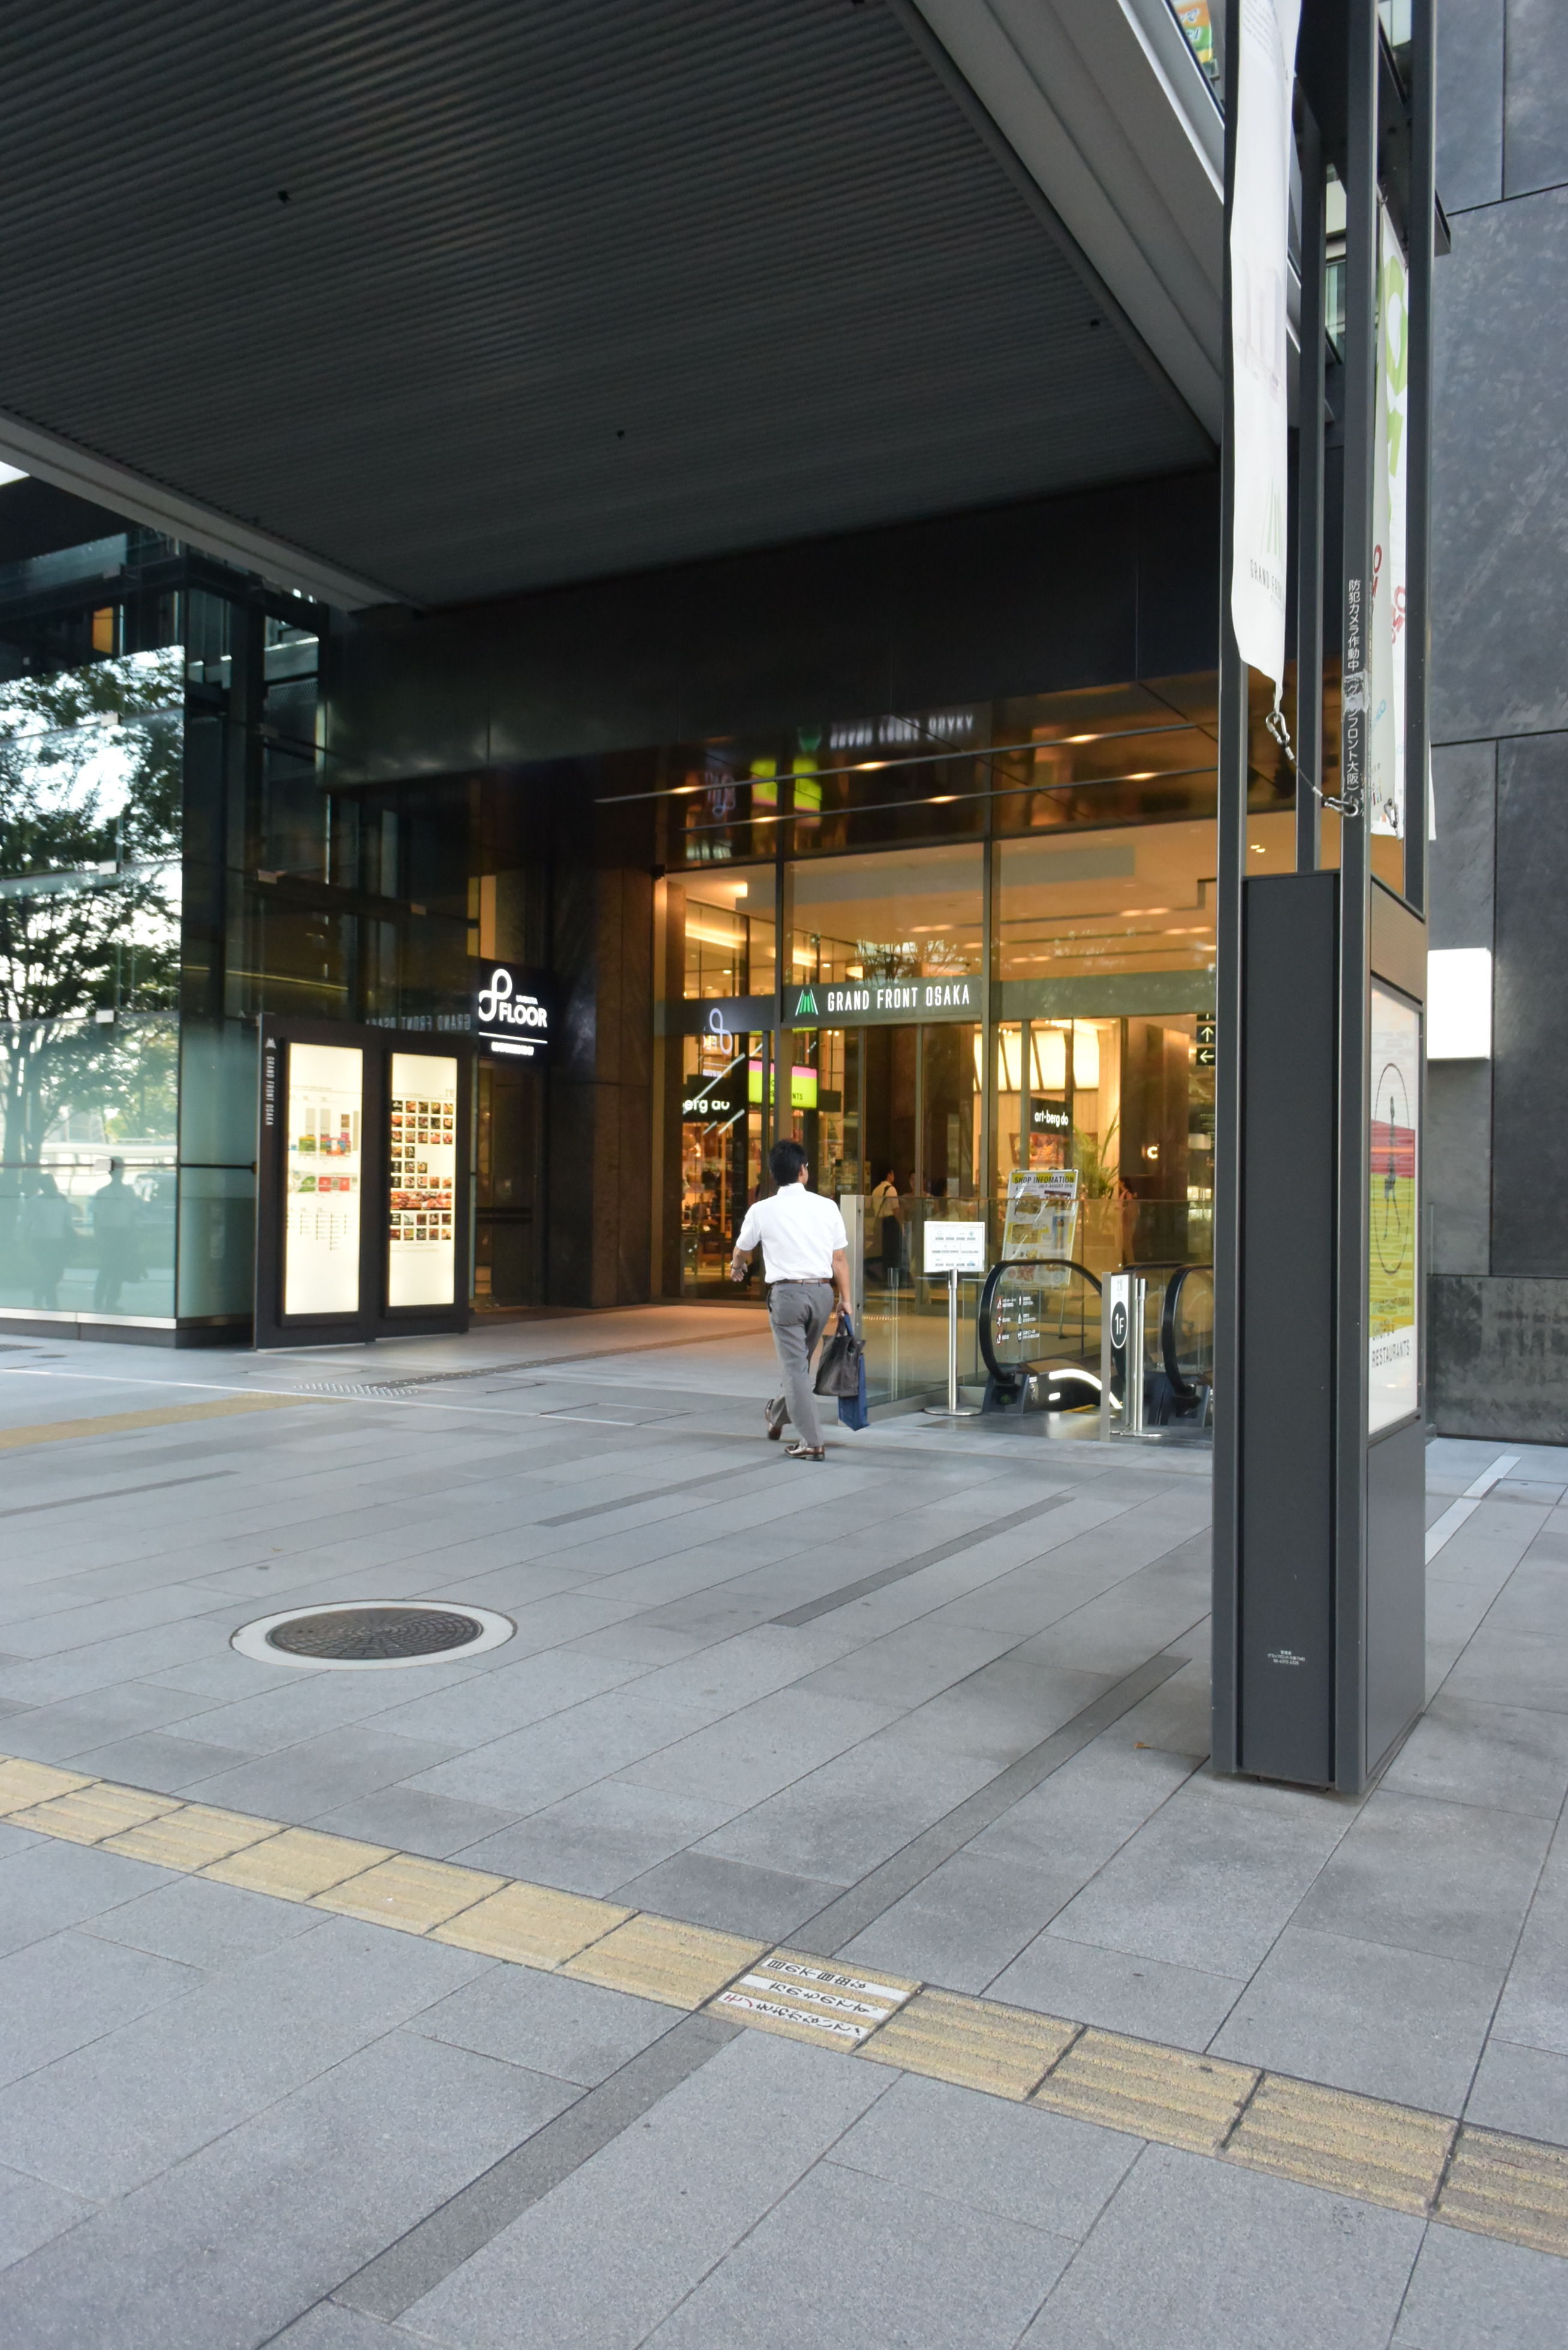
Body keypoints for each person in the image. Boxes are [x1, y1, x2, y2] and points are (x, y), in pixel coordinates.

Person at [730, 1138, 852, 1461]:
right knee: (799, 1366)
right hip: (822, 1294)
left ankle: (812, 1441)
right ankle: (776, 1414)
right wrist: (846, 1300)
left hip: (787, 1297)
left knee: (796, 1369)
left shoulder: (761, 1210)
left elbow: (742, 1250)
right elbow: (839, 1259)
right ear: (803, 1171)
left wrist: (736, 1267)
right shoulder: (827, 1206)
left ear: (774, 1174)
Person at [92, 1158, 140, 1312]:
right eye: (118, 1169)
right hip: (109, 1234)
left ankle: (111, 1302)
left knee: (119, 1271)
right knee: (106, 1269)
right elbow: (97, 1217)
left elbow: (133, 1216)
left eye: (122, 1168)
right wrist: (99, 1236)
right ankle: (99, 1301)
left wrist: (133, 1234)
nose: (120, 1172)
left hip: (123, 1234)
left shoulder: (129, 1192)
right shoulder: (103, 1193)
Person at [21, 1174, 73, 1309]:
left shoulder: (62, 1199)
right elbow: (25, 1223)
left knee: (56, 1273)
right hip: (41, 1242)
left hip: (59, 1242)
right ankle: (52, 1303)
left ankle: (38, 1292)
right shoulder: (35, 1202)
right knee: (49, 1272)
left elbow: (68, 1221)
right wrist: (21, 1240)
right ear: (43, 1187)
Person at [868, 1166, 903, 1287]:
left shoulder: (875, 1190)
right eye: (893, 1173)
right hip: (890, 1223)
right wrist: (902, 1225)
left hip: (879, 1223)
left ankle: (883, 1278)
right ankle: (893, 1280)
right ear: (889, 1174)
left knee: (882, 1251)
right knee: (893, 1253)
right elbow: (896, 1209)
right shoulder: (891, 1189)